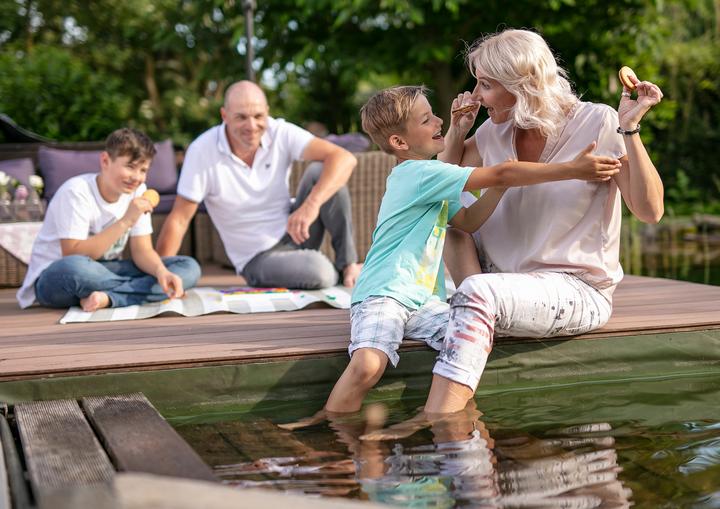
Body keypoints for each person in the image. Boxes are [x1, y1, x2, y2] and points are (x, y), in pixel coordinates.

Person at [320, 85, 621, 414]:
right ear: (399, 143)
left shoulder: (431, 177)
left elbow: (468, 221)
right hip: (385, 293)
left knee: (469, 339)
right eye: (426, 120)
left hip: (422, 301)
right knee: (368, 365)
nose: (438, 121)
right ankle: (331, 432)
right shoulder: (416, 173)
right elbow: (503, 171)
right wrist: (572, 169)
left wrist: (498, 185)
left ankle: (458, 413)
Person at [422, 29, 665, 413]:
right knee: (454, 229)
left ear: (524, 85)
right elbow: (439, 189)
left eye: (486, 85)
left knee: (477, 294)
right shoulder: (493, 130)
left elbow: (650, 211)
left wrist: (630, 128)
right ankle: (474, 320)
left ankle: (441, 424)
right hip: (498, 282)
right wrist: (457, 130)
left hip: (575, 288)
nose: (476, 95)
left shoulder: (598, 122)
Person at [156, 80, 362, 289]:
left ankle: (348, 265)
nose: (252, 126)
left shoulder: (279, 131)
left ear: (267, 112)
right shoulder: (202, 150)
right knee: (321, 272)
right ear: (224, 116)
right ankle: (328, 269)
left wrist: (311, 205)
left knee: (322, 171)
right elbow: (179, 220)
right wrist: (160, 273)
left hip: (295, 232)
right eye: (241, 117)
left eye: (258, 116)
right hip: (257, 258)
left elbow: (345, 158)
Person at [17, 128, 201, 311]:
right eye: (130, 166)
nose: (137, 177)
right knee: (76, 269)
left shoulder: (139, 191)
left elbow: (142, 251)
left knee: (188, 267)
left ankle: (109, 298)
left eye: (143, 170)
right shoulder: (76, 192)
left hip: (105, 271)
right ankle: (139, 290)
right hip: (57, 278)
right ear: (105, 160)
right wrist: (126, 221)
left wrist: (161, 272)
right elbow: (73, 255)